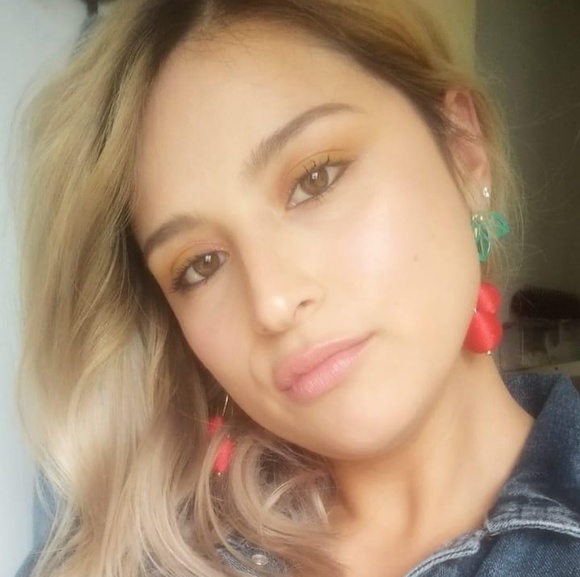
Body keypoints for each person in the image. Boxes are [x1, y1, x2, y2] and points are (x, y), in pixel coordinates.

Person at [15, 1, 580, 576]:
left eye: (315, 179)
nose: (273, 303)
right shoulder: (125, 552)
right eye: (201, 265)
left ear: (462, 149)